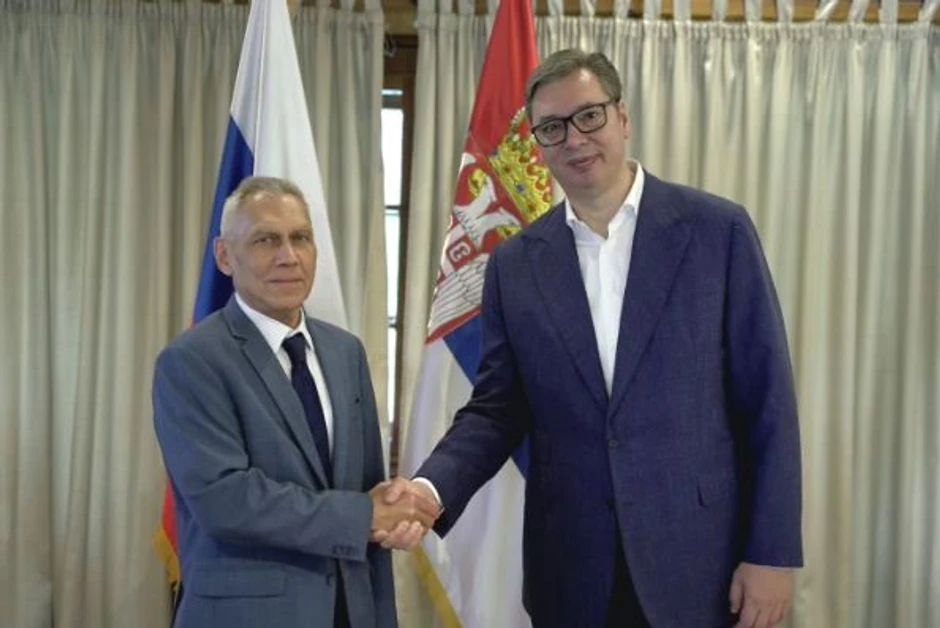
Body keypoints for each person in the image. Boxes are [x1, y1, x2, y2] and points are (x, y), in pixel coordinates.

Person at [390, 49, 803, 628]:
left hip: (700, 562)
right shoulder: (515, 264)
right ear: (538, 144)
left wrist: (772, 553)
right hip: (570, 570)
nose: (575, 139)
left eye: (589, 116)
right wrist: (429, 489)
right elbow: (497, 409)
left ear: (623, 117)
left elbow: (767, 401)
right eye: (553, 128)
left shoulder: (717, 231)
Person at [152, 176, 439, 628]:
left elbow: (365, 489)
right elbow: (226, 499)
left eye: (300, 238)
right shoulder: (191, 361)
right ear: (224, 256)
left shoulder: (345, 352)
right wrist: (365, 515)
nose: (288, 256)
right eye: (266, 240)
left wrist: (389, 512)